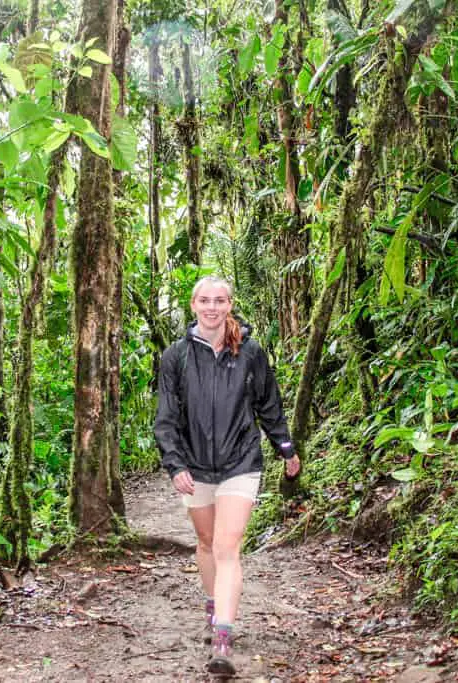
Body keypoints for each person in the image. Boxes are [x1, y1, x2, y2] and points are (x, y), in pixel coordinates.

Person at [153, 275, 301, 676]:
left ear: (230, 304)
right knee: (204, 542)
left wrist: (285, 447)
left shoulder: (250, 353)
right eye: (205, 300)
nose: (212, 307)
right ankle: (214, 604)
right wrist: (175, 464)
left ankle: (223, 636)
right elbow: (166, 418)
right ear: (193, 305)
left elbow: (269, 404)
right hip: (196, 466)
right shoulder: (176, 357)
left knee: (226, 545)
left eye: (220, 300)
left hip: (241, 462)